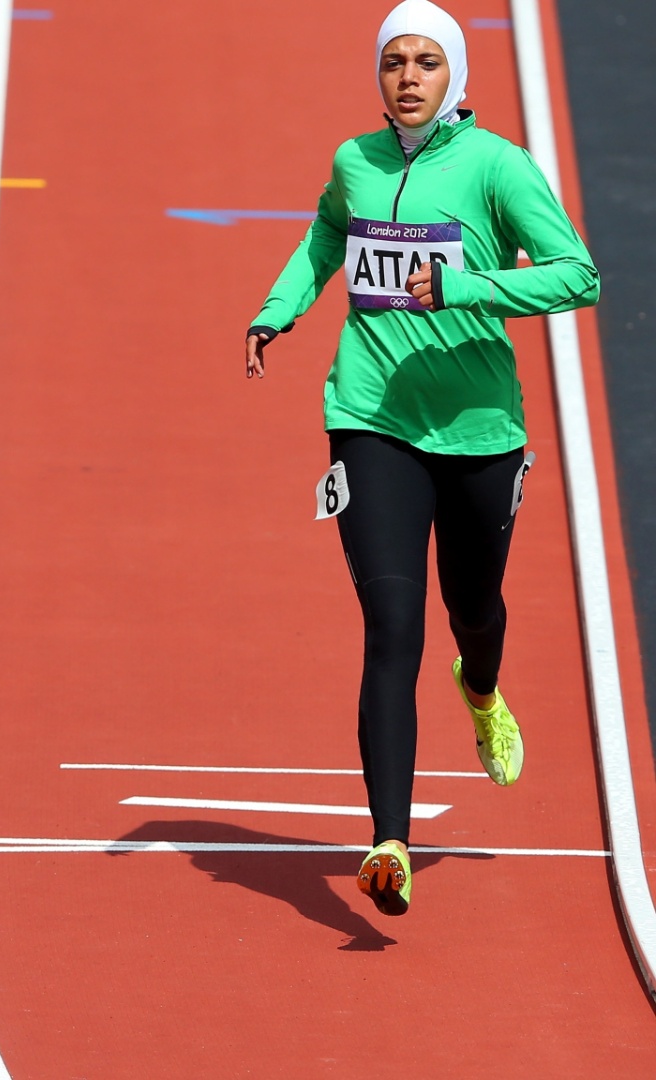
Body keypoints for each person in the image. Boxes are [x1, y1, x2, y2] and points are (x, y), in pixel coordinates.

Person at [243, 0, 598, 916]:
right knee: (392, 622)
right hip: (371, 417)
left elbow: (579, 274)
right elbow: (327, 235)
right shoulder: (354, 161)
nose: (407, 77)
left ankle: (481, 690)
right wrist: (278, 311)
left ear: (456, 75)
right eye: (394, 61)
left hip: (479, 429)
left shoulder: (497, 166)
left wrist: (465, 286)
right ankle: (390, 842)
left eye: (427, 62)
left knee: (472, 608)